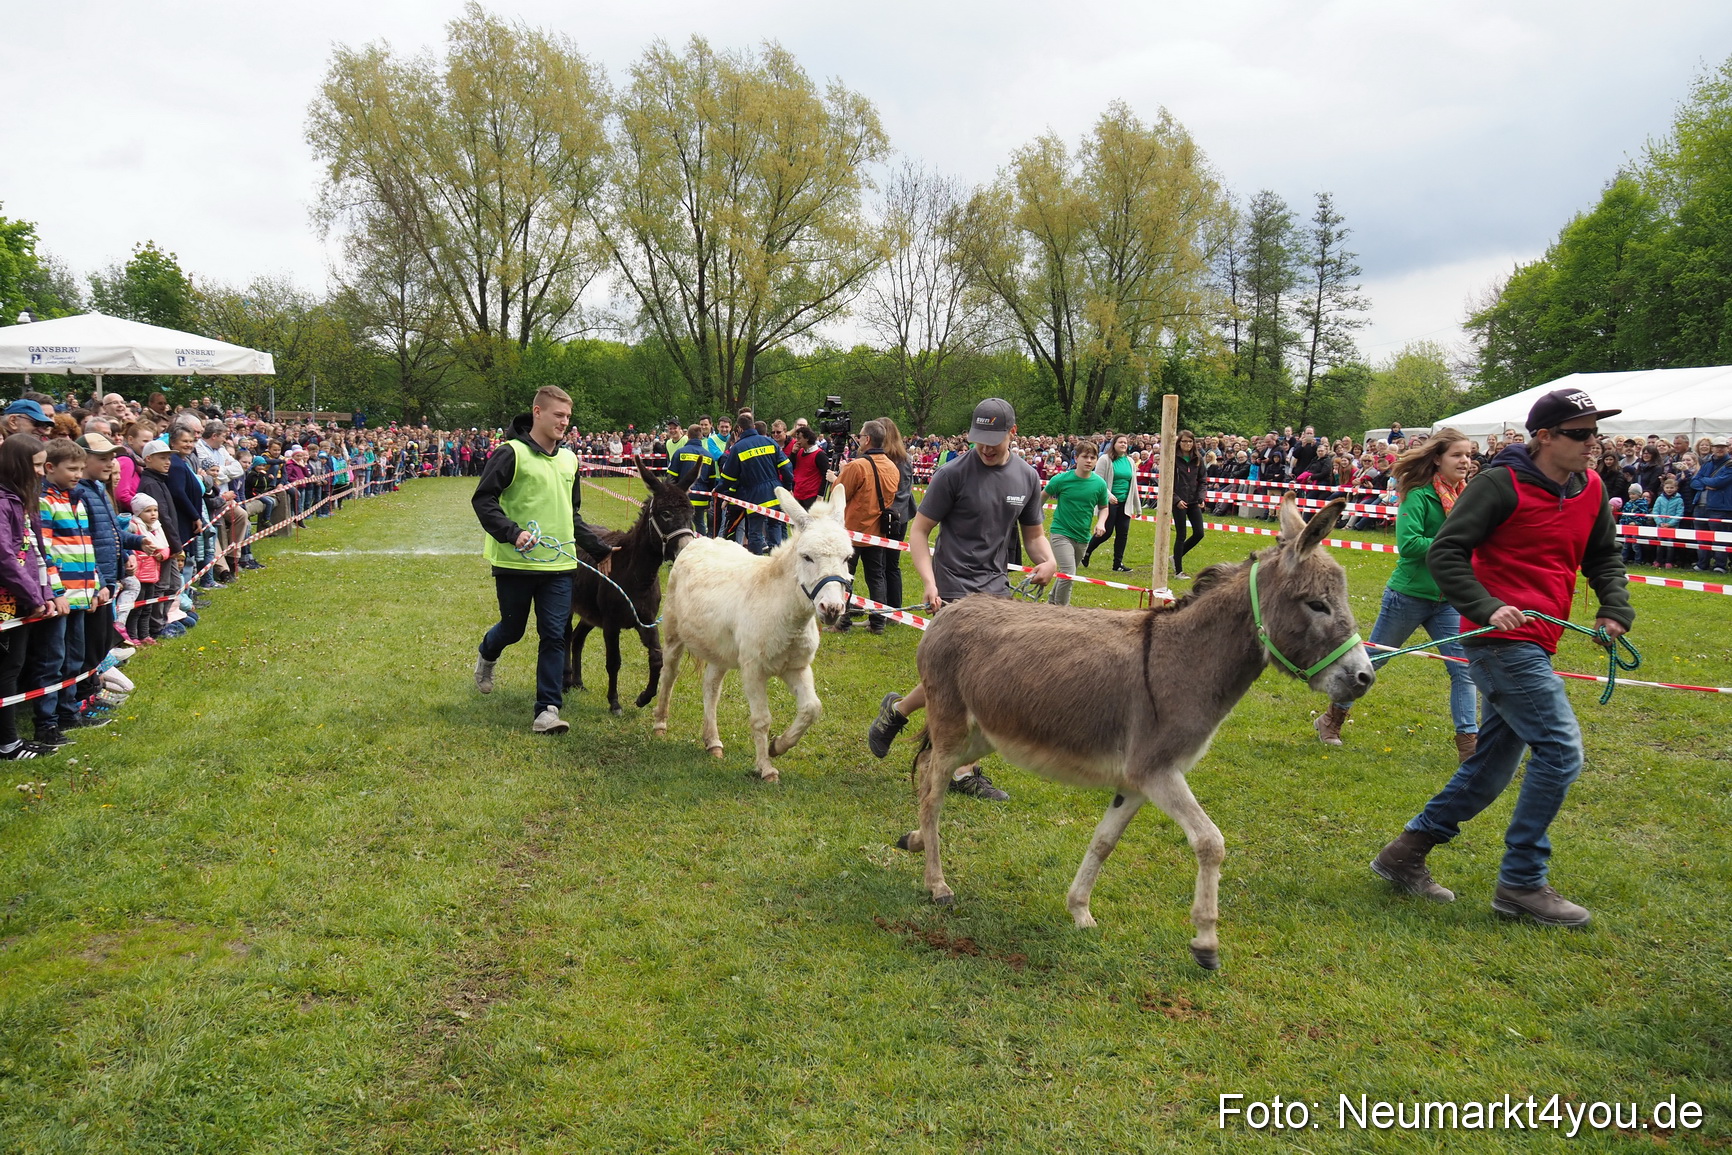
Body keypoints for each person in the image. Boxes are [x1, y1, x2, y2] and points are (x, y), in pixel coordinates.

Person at [1369, 389, 1634, 926]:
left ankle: (1404, 854)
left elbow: (1603, 555)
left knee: (1490, 767)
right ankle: (1522, 882)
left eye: (1595, 433)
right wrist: (1486, 606)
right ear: (1545, 437)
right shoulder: (1499, 485)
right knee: (1560, 751)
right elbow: (1445, 550)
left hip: (1538, 640)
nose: (1593, 444)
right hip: (1498, 643)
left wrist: (1614, 608)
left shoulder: (1592, 487)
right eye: (1580, 434)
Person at [864, 398, 1058, 801]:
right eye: (978, 440)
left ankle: (897, 713)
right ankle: (964, 770)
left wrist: (1048, 561)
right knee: (964, 686)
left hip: (998, 594)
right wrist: (929, 582)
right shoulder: (951, 474)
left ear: (1012, 433)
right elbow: (919, 533)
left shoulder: (1027, 478)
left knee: (972, 684)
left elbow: (1034, 536)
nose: (985, 448)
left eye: (993, 440)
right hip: (952, 588)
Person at [1313, 429, 1481, 760]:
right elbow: (1409, 544)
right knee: (1373, 663)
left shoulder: (1464, 496)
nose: (1465, 461)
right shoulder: (1418, 495)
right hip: (1408, 596)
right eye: (1457, 455)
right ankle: (1331, 719)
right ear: (1437, 459)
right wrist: (1453, 544)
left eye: (1469, 455)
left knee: (1463, 668)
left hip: (1447, 598)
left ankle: (1468, 744)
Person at [471, 386, 615, 735]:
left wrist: (599, 549)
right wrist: (512, 532)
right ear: (537, 412)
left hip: (559, 566)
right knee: (513, 629)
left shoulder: (569, 460)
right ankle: (487, 654)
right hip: (515, 563)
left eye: (568, 416)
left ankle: (547, 710)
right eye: (558, 415)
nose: (564, 422)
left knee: (554, 634)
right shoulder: (511, 454)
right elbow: (484, 499)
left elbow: (571, 513)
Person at [0, 435, 56, 759]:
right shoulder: (4, 502)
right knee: (7, 669)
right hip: (7, 603)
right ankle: (7, 743)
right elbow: (5, 558)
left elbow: (36, 551)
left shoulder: (24, 501)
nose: (41, 471)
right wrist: (34, 596)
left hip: (23, 599)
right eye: (36, 464)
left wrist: (45, 593)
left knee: (14, 666)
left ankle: (9, 740)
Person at [835, 420, 902, 633]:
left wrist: (837, 475)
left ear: (867, 439)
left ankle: (843, 622)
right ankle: (878, 623)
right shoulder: (892, 467)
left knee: (845, 577)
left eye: (861, 435)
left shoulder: (857, 466)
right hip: (877, 533)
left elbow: (839, 494)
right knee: (877, 578)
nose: (859, 438)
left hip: (853, 532)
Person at [1043, 442, 1110, 606]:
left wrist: (1101, 523)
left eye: (1092, 457)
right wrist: (1035, 517)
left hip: (1083, 537)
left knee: (1066, 574)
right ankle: (1062, 611)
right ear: (1076, 458)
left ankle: (1051, 603)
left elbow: (1104, 508)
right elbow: (1042, 496)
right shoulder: (1062, 479)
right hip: (1061, 532)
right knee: (1068, 572)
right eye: (1085, 457)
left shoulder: (1099, 484)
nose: (1089, 461)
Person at [715, 420, 793, 556]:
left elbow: (728, 477)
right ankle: (777, 561)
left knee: (755, 532)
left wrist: (718, 489)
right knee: (775, 527)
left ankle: (758, 563)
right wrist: (786, 488)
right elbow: (786, 467)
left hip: (755, 497)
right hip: (775, 493)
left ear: (739, 429)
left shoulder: (738, 448)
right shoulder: (769, 442)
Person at [1082, 434, 1140, 572]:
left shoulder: (1130, 462)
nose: (1123, 445)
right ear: (1114, 444)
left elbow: (1134, 485)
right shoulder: (1105, 460)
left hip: (1125, 502)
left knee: (1122, 533)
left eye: (1125, 443)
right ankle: (1086, 552)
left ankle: (1117, 564)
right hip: (1109, 502)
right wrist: (1109, 495)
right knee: (1106, 531)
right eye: (1120, 442)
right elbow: (1098, 480)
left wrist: (1138, 507)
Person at [1168, 429, 1206, 579]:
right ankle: (1178, 570)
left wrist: (1201, 498)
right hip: (1178, 501)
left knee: (1199, 533)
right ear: (1179, 442)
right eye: (1184, 441)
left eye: (1190, 441)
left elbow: (1203, 480)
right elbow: (1167, 482)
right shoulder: (1173, 459)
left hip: (1193, 501)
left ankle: (1175, 557)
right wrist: (1176, 500)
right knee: (1181, 534)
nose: (1187, 444)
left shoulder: (1198, 459)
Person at [667, 423, 715, 535]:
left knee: (681, 524)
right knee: (700, 522)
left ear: (687, 435)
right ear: (701, 436)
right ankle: (702, 546)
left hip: (684, 496)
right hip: (701, 496)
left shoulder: (680, 453)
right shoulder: (709, 456)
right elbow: (711, 481)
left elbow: (671, 477)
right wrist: (708, 500)